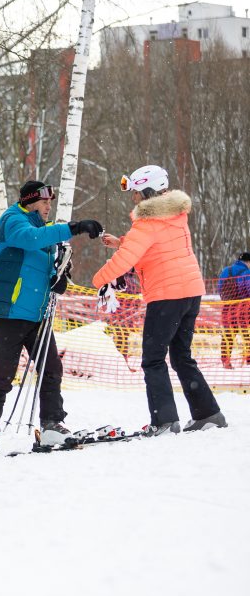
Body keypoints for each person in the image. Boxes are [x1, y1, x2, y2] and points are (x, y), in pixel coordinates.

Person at [94, 165, 227, 435]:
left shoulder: (146, 223)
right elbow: (156, 246)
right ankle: (209, 414)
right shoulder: (176, 216)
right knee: (181, 356)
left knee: (153, 359)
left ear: (147, 191)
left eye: (135, 192)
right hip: (190, 293)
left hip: (167, 297)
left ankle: (164, 421)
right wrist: (122, 241)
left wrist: (97, 281)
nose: (133, 198)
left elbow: (126, 260)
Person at [0, 181, 104, 453]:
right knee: (4, 373)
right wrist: (74, 227)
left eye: (50, 203)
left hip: (37, 314)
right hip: (9, 312)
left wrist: (59, 277)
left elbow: (45, 267)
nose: (48, 207)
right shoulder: (13, 220)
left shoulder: (46, 233)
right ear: (31, 201)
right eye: (44, 202)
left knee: (51, 369)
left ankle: (52, 425)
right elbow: (28, 239)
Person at [217, 251, 250, 369]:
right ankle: (249, 360)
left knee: (228, 335)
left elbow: (220, 288)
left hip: (227, 307)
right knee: (247, 334)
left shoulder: (225, 271)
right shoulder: (247, 272)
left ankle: (226, 361)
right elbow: (248, 289)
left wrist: (227, 301)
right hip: (243, 308)